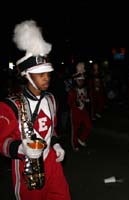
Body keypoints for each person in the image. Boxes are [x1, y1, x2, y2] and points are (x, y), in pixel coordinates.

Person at [0, 20, 71, 199]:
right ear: (27, 76)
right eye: (41, 74)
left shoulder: (51, 99)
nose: (46, 78)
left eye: (48, 73)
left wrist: (55, 143)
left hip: (52, 163)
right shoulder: (10, 105)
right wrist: (21, 149)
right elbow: (2, 142)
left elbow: (51, 129)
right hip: (27, 168)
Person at [68, 63, 92, 151]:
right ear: (76, 81)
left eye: (82, 80)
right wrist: (75, 103)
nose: (80, 81)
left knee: (88, 125)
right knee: (75, 129)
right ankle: (75, 144)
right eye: (79, 80)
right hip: (75, 111)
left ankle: (81, 139)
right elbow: (70, 102)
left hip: (83, 110)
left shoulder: (85, 88)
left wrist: (86, 100)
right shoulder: (72, 90)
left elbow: (85, 96)